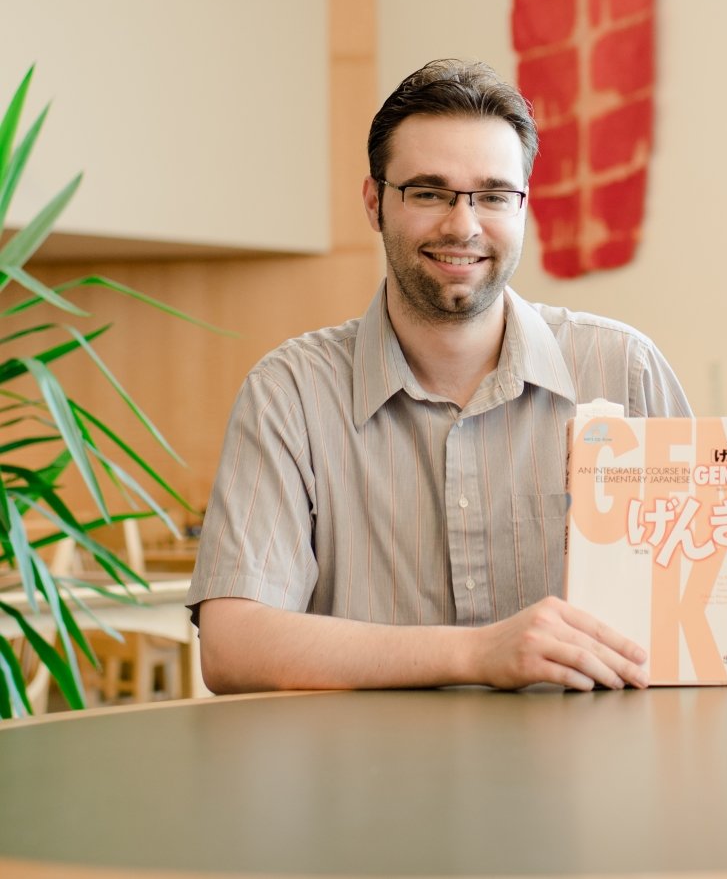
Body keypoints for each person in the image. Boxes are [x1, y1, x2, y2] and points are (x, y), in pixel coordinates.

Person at [188, 59, 690, 694]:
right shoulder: (290, 392)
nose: (463, 224)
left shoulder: (625, 371)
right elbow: (234, 648)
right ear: (374, 203)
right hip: (365, 785)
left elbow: (705, 624)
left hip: (586, 781)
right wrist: (478, 653)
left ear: (524, 206)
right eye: (428, 192)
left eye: (493, 195)